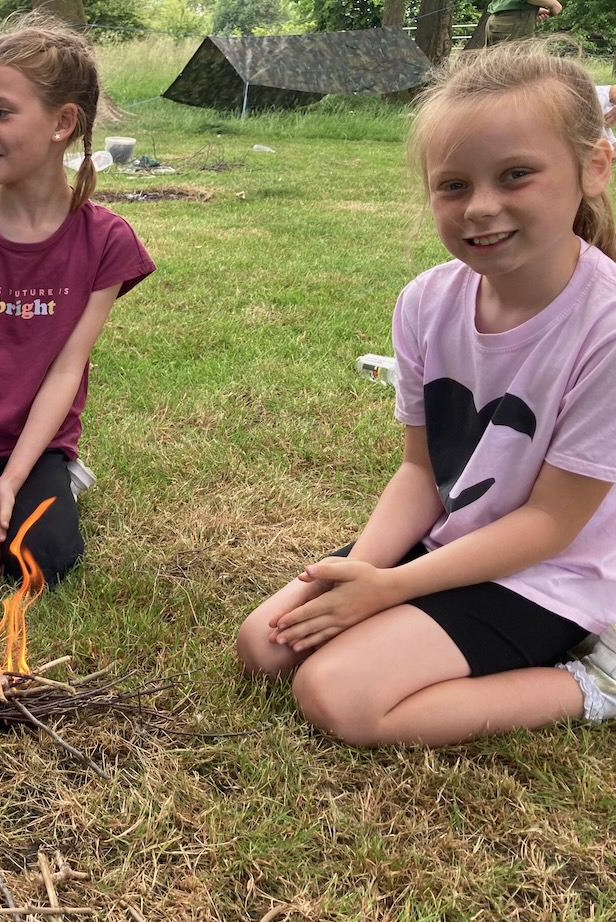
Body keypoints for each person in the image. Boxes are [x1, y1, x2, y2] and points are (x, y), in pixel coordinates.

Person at [235, 43, 616, 747]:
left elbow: (551, 524)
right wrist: (367, 569)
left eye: (517, 174)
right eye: (453, 185)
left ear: (593, 167)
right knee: (264, 646)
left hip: (551, 573)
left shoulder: (606, 326)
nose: (481, 207)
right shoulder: (426, 302)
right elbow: (420, 470)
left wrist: (391, 590)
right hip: (453, 537)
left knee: (338, 696)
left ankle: (592, 685)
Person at [0, 18, 154, 591]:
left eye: (1, 112)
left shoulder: (106, 241)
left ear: (62, 123)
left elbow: (68, 369)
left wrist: (12, 481)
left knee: (44, 562)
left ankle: (59, 478)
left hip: (37, 445)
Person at [484, 0, 560, 46]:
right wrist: (553, 4)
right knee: (518, 65)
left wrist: (532, 11)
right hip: (513, 24)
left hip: (500, 20)